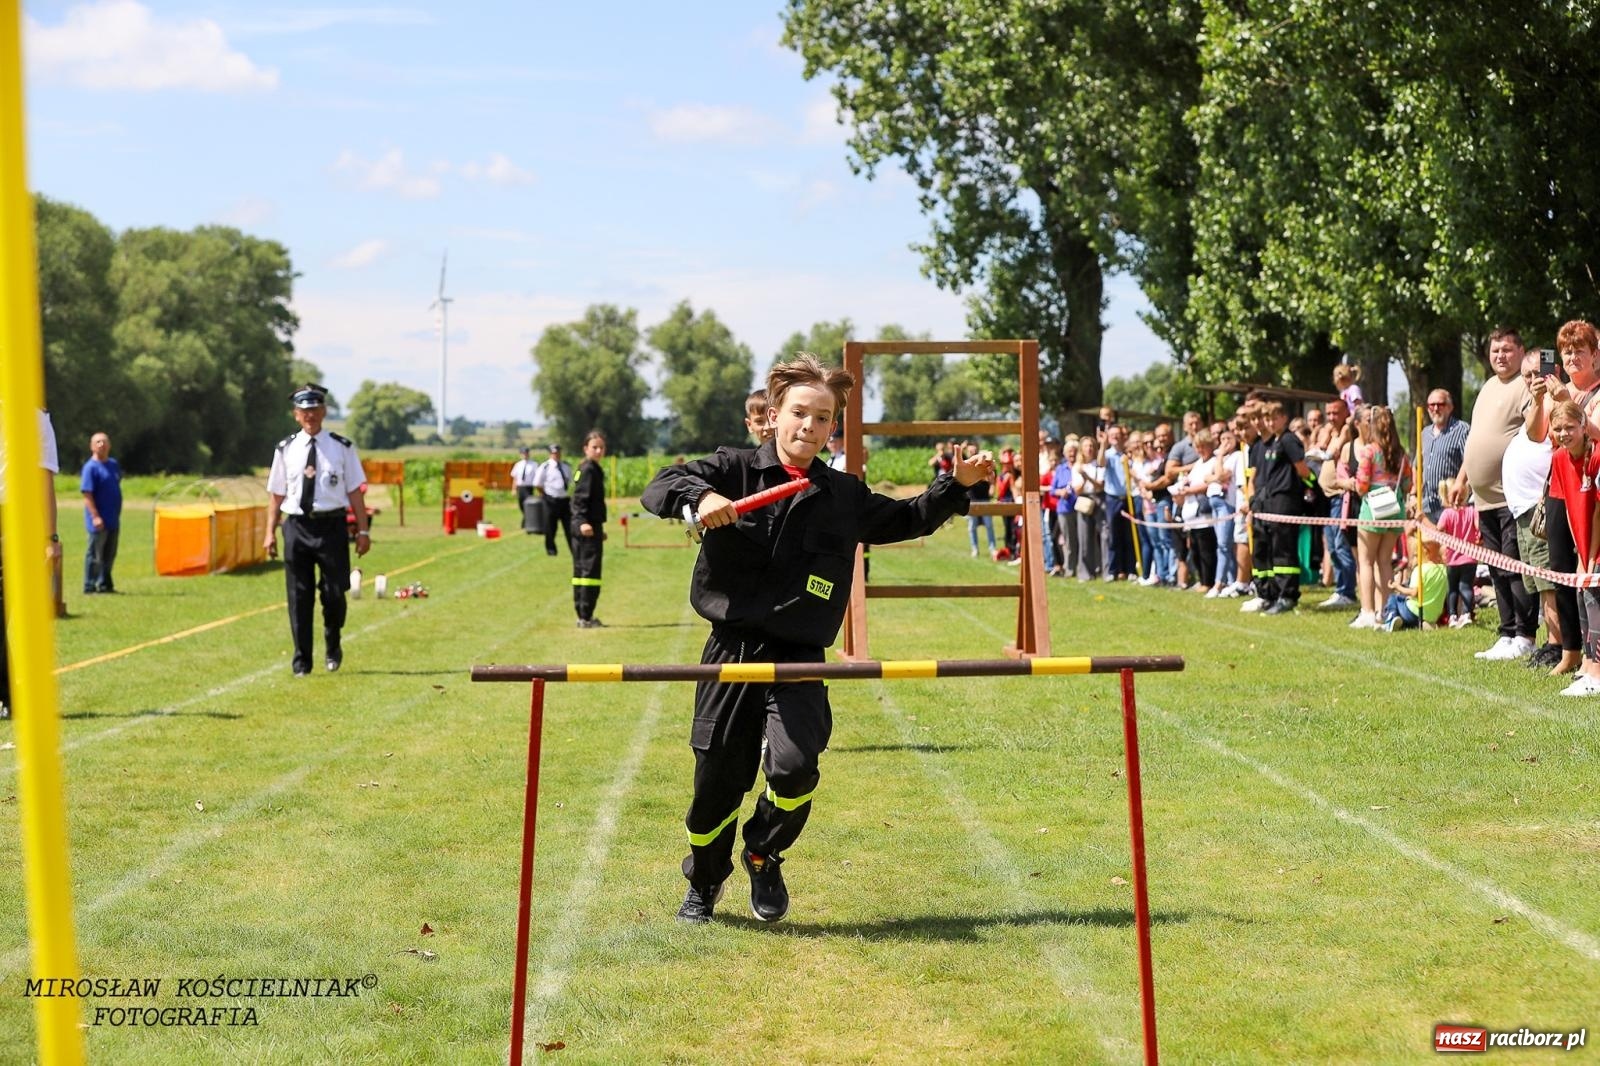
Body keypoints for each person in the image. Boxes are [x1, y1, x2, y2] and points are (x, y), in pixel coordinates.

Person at [639, 354, 987, 925]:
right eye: (799, 413)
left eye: (822, 418)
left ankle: (763, 850)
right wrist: (699, 500)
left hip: (799, 655)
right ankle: (703, 882)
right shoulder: (732, 470)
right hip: (731, 651)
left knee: (796, 767)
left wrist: (956, 485)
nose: (809, 426)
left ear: (832, 428)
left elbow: (905, 519)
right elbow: (662, 486)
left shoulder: (843, 495)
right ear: (773, 415)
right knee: (716, 784)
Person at [264, 384, 370, 676]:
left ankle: (332, 643)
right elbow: (276, 494)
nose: (310, 415)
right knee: (299, 596)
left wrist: (363, 531)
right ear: (296, 415)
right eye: (304, 410)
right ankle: (302, 661)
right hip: (297, 525)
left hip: (331, 526)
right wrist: (269, 532)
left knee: (335, 593)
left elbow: (355, 492)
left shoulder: (341, 447)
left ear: (323, 411)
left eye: (315, 409)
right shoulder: (286, 449)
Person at [1454, 328, 1538, 661]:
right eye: (1495, 351)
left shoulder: (1525, 386)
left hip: (1510, 497)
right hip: (1483, 497)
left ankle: (1524, 634)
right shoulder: (1488, 386)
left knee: (1513, 565)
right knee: (1495, 566)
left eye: (1506, 350)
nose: (1500, 356)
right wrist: (1462, 479)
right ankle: (1506, 632)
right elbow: (1476, 437)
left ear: (1520, 351)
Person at [1502, 352, 1563, 672]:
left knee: (1548, 579)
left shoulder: (1555, 401)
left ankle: (1558, 644)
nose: (1532, 379)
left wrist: (1542, 398)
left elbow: (1537, 434)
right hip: (1524, 509)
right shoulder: (1534, 403)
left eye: (1538, 372)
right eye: (1526, 375)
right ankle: (1552, 640)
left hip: (1541, 507)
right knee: (1538, 580)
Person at [0, 408, 62, 720]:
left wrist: (50, 537)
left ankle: (8, 695)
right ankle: (9, 694)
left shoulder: (35, 419)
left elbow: (44, 479)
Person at [1540, 400, 1600, 696]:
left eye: (1570, 428)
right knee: (1582, 599)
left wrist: (1590, 555)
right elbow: (1566, 508)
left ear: (1583, 426)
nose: (1564, 433)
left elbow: (1597, 512)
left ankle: (1597, 675)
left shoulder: (1596, 455)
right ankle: (1588, 666)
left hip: (1597, 542)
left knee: (1594, 601)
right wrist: (1578, 552)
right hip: (1583, 542)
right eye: (1558, 428)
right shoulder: (1559, 459)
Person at [1346, 405, 1412, 629]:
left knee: (1365, 561)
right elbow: (1408, 484)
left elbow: (1362, 485)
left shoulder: (1369, 451)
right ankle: (1385, 610)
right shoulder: (1401, 452)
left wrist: (1357, 484)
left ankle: (1367, 611)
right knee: (1385, 561)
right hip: (1395, 509)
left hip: (1372, 509)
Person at [1247, 402, 1312, 615]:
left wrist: (1310, 487)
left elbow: (1302, 469)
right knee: (1271, 550)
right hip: (1269, 502)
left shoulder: (1288, 440)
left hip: (1285, 501)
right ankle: (1272, 593)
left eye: (1274, 418)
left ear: (1284, 418)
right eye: (1267, 419)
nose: (1270, 423)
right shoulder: (1271, 442)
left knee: (1284, 550)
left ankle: (1288, 595)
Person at [570, 430, 607, 628]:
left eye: (601, 447)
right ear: (586, 448)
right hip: (585, 527)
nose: (599, 450)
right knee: (588, 572)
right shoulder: (588, 470)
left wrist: (599, 527)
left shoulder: (589, 468)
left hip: (591, 526)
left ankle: (583, 614)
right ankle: (585, 616)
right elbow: (579, 500)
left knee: (582, 571)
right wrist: (583, 522)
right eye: (595, 447)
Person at [79, 430, 122, 594]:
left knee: (109, 554)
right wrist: (95, 516)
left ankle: (105, 584)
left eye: (104, 441)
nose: (101, 445)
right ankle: (89, 585)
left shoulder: (113, 465)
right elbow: (87, 494)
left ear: (109, 445)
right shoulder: (90, 468)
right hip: (98, 519)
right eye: (98, 442)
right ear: (91, 446)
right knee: (95, 554)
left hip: (113, 518)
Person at [1421, 389, 1469, 524]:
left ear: (1450, 407)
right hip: (1428, 506)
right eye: (1431, 405)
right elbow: (1417, 465)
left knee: (1450, 545)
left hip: (1451, 505)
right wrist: (1414, 494)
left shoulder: (1462, 430)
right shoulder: (1424, 433)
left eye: (1440, 404)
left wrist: (1460, 485)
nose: (1435, 409)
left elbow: (1469, 461)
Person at [1434, 485, 1479, 628]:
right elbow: (1479, 527)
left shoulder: (1447, 514)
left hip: (1452, 558)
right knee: (1466, 587)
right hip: (1470, 557)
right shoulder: (1472, 511)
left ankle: (1452, 616)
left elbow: (1439, 530)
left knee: (1452, 588)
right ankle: (1466, 613)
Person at [1380, 535, 1446, 632]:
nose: (1414, 559)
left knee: (1393, 598)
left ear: (1424, 553)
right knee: (1405, 601)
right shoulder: (1444, 570)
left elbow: (1414, 593)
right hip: (1433, 615)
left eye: (1415, 555)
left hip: (1415, 611)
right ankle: (1424, 624)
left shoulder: (1420, 570)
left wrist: (1397, 587)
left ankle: (1391, 619)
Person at [533, 443, 574, 557]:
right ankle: (551, 550)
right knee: (551, 527)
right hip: (551, 500)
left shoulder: (566, 466)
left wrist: (580, 473)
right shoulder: (545, 467)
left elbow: (573, 480)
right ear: (550, 454)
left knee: (569, 527)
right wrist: (544, 495)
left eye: (558, 453)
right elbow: (537, 483)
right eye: (554, 453)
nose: (556, 455)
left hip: (564, 500)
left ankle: (574, 549)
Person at [510, 446, 538, 532]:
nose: (525, 455)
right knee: (521, 505)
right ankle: (526, 521)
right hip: (520, 488)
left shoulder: (534, 464)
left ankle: (525, 524)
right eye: (523, 453)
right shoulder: (518, 465)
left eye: (526, 453)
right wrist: (514, 489)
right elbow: (515, 478)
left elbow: (537, 478)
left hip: (529, 487)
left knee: (528, 506)